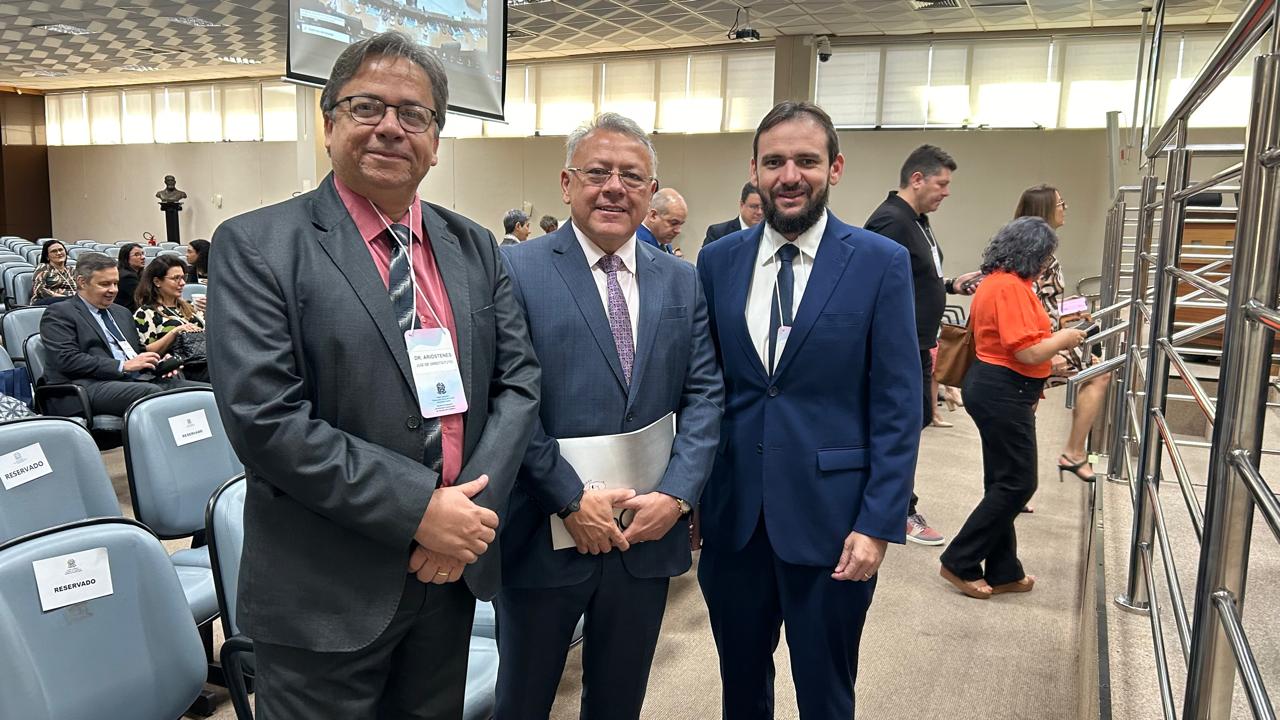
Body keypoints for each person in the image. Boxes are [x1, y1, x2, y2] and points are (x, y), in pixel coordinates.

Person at [205, 31, 540, 719]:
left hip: (449, 578)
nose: (390, 126)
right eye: (366, 107)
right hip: (326, 592)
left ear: (436, 139)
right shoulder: (259, 244)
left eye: (413, 114)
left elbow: (519, 383)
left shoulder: (472, 243)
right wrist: (422, 510)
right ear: (328, 125)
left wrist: (465, 517)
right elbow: (266, 420)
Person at [695, 101, 921, 719]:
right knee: (740, 687)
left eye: (806, 160)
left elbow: (898, 405)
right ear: (755, 171)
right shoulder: (719, 260)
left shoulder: (878, 262)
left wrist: (879, 522)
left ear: (836, 167)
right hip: (735, 520)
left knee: (824, 690)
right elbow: (706, 390)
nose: (789, 175)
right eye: (774, 162)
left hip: (835, 523)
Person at [495, 113, 722, 720]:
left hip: (647, 532)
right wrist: (571, 498)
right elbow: (511, 399)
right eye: (598, 173)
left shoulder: (682, 280)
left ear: (650, 193)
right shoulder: (518, 270)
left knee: (620, 700)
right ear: (567, 183)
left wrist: (676, 497)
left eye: (632, 176)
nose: (614, 187)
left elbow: (705, 396)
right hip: (546, 531)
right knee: (523, 699)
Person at [938, 217, 1087, 600]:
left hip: (1000, 387)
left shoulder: (1002, 283)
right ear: (1032, 254)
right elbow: (1027, 350)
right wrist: (1064, 338)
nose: (1048, 265)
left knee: (1002, 482)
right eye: (1047, 257)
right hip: (1003, 390)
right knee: (1019, 483)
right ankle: (959, 559)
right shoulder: (1009, 287)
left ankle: (1004, 570)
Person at [864, 144, 982, 547]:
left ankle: (897, 503)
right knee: (901, 429)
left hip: (919, 343)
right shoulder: (890, 221)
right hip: (899, 349)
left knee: (916, 425)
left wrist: (951, 285)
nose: (946, 192)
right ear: (917, 179)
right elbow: (871, 287)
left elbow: (917, 277)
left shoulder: (918, 220)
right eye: (941, 183)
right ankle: (897, 510)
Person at [37, 252, 205, 418]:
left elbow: (136, 351)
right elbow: (67, 359)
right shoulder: (59, 313)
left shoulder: (121, 313)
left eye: (116, 283)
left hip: (133, 379)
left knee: (201, 392)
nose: (113, 290)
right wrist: (122, 366)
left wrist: (158, 363)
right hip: (85, 385)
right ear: (82, 282)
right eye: (105, 284)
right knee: (153, 394)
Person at [1016, 184, 1107, 483]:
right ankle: (1073, 453)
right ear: (1044, 210)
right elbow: (1029, 303)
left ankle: (1013, 485)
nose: (1065, 208)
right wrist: (1052, 347)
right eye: (1060, 203)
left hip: (1045, 338)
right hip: (1039, 343)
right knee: (1098, 374)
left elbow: (1043, 301)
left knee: (1024, 414)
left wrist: (1069, 314)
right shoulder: (1037, 254)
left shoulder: (1034, 248)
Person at [133, 255, 207, 382]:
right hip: (177, 368)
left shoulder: (188, 307)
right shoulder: (146, 313)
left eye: (183, 278)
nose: (182, 283)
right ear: (157, 282)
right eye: (175, 278)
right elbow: (146, 352)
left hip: (204, 361)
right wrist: (175, 332)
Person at [636, 187, 686, 254]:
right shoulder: (637, 245)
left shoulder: (663, 242)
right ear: (653, 215)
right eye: (673, 223)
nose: (678, 231)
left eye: (681, 224)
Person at [31, 240, 76, 304]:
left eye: (61, 250)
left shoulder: (71, 270)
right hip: (47, 301)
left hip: (70, 301)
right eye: (54, 251)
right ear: (47, 257)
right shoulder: (43, 268)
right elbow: (39, 290)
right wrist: (63, 297)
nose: (59, 253)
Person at [115, 243, 146, 312]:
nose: (143, 257)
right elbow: (143, 297)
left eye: (143, 254)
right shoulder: (127, 277)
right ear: (126, 258)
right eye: (137, 255)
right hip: (128, 314)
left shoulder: (140, 274)